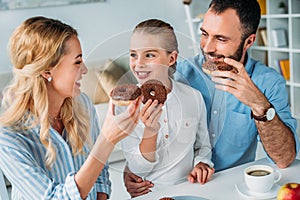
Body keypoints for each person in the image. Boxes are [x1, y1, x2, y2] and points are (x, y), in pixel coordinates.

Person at [124, 0, 300, 197]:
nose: (207, 47)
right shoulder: (180, 74)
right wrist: (132, 168)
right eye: (205, 34)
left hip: (234, 188)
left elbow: (284, 159)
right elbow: (145, 129)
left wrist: (258, 104)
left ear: (249, 41)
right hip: (184, 189)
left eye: (221, 39)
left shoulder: (268, 82)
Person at [0, 16, 142, 200]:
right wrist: (107, 141)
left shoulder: (82, 104)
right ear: (46, 70)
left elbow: (100, 176)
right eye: (77, 62)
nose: (84, 70)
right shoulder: (8, 134)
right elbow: (53, 198)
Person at [120, 19, 214, 196]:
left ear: (172, 58)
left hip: (191, 190)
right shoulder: (126, 107)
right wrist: (150, 131)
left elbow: (203, 145)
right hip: (150, 194)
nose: (138, 63)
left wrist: (202, 163)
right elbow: (137, 169)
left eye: (149, 55)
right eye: (133, 54)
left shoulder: (193, 97)